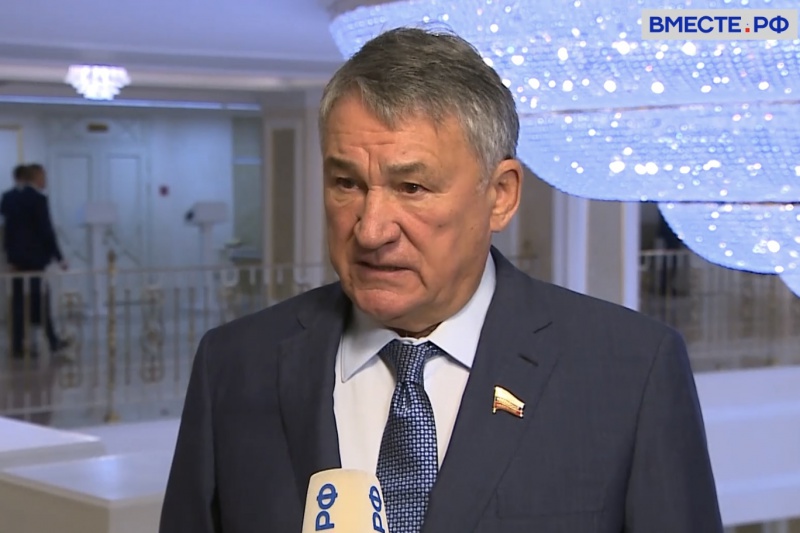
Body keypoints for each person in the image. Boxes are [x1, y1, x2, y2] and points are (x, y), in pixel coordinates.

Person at [160, 28, 723, 533]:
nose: (371, 230)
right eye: (346, 183)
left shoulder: (631, 372)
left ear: (500, 195)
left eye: (412, 188)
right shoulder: (234, 366)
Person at [2, 163, 69, 358]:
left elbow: (8, 228)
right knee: (41, 299)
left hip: (16, 260)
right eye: (43, 176)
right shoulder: (38, 199)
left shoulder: (8, 198)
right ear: (36, 177)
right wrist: (59, 257)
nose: (45, 180)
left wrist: (10, 255)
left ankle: (17, 345)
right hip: (35, 259)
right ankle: (51, 341)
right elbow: (46, 230)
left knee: (18, 302)